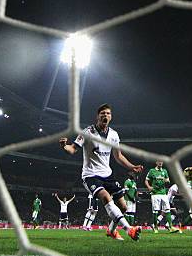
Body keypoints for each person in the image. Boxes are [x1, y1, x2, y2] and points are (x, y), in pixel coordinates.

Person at [59, 103, 143, 241]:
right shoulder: (87, 132)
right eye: (103, 113)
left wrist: (132, 167)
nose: (105, 115)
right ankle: (129, 229)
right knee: (105, 197)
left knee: (123, 207)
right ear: (98, 116)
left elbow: (118, 156)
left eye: (108, 113)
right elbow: (73, 149)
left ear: (111, 117)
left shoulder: (114, 135)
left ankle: (111, 231)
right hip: (91, 175)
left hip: (107, 175)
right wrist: (64, 146)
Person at [145, 160, 181, 233]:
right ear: (156, 162)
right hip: (155, 193)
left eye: (161, 161)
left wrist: (165, 180)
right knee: (155, 211)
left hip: (163, 193)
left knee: (167, 209)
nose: (160, 163)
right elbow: (146, 180)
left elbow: (168, 180)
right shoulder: (152, 171)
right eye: (159, 161)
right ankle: (155, 227)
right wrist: (149, 187)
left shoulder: (164, 171)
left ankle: (170, 227)